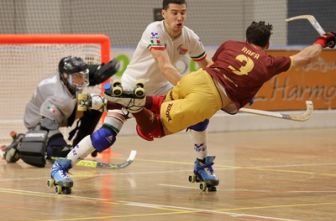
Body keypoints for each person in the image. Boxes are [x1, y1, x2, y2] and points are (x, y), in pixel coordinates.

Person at [103, 22, 336, 183]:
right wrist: (323, 40)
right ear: (266, 43)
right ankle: (133, 105)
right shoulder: (269, 61)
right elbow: (306, 57)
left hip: (196, 79)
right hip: (210, 98)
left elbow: (218, 67)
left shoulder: (230, 44)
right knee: (154, 129)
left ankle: (110, 101)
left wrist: (242, 92)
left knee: (162, 102)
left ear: (246, 38)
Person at [49, 0, 217, 193]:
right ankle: (60, 167)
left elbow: (208, 66)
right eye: (174, 13)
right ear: (163, 13)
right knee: (106, 136)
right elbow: (165, 66)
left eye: (183, 13)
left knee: (199, 114)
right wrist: (188, 91)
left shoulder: (190, 37)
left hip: (161, 89)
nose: (179, 18)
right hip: (131, 87)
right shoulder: (154, 31)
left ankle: (202, 165)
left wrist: (223, 89)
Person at [2, 56, 120, 168]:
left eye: (83, 76)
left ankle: (81, 144)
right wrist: (62, 148)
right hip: (40, 120)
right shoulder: (59, 96)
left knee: (95, 105)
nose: (81, 81)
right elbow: (48, 124)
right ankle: (21, 142)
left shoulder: (69, 79)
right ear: (65, 76)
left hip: (60, 111)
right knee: (60, 153)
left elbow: (93, 74)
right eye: (77, 77)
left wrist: (110, 67)